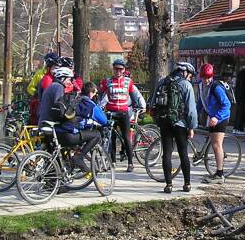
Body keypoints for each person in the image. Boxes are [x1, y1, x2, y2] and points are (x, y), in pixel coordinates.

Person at [37, 66, 99, 174]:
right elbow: (60, 108)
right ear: (62, 78)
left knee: (54, 156)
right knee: (87, 135)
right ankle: (78, 158)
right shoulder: (58, 87)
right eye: (69, 79)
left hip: (44, 123)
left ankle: (53, 180)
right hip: (52, 125)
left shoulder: (51, 86)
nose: (70, 82)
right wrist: (73, 118)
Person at [148, 61, 198, 194]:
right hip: (180, 124)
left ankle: (168, 185)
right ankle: (187, 184)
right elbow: (191, 110)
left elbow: (152, 103)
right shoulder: (186, 85)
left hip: (165, 123)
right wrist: (192, 127)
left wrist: (158, 119)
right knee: (183, 153)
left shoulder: (162, 82)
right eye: (190, 75)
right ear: (185, 72)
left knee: (167, 154)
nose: (190, 78)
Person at [99, 58, 146, 172]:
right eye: (116, 69)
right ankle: (113, 161)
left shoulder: (128, 81)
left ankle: (130, 163)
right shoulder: (107, 81)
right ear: (113, 69)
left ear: (124, 70)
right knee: (111, 138)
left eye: (120, 69)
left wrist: (137, 106)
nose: (118, 71)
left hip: (124, 113)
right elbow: (100, 95)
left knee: (126, 138)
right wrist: (98, 105)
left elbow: (133, 95)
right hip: (111, 112)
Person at [197, 63, 232, 184]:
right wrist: (194, 114)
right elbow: (201, 101)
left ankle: (220, 174)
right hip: (212, 116)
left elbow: (227, 105)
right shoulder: (201, 86)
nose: (206, 80)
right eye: (204, 77)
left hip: (221, 117)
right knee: (214, 144)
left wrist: (217, 117)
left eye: (208, 77)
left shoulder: (216, 87)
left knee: (216, 145)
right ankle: (220, 157)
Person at [27, 52, 59, 125]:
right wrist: (36, 93)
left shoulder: (58, 73)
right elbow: (30, 87)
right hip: (39, 101)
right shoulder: (39, 74)